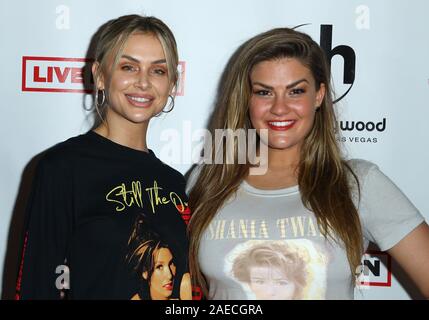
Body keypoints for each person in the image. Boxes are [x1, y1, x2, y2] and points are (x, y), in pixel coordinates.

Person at [187, 27, 429, 299]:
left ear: (319, 95)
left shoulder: (359, 183)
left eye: (296, 91)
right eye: (265, 92)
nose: (280, 108)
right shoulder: (207, 181)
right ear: (246, 98)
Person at [16, 14, 191, 300]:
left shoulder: (174, 183)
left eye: (158, 71)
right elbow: (37, 283)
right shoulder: (62, 168)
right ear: (99, 75)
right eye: (128, 67)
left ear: (172, 84)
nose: (143, 82)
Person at [126, 214, 191, 300]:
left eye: (171, 263)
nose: (169, 275)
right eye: (159, 266)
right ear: (144, 272)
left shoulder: (185, 287)